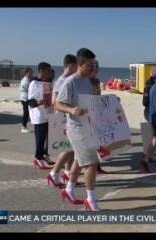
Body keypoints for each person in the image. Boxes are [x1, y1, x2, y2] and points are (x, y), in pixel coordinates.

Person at [55, 48, 101, 211]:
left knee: (79, 161)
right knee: (92, 164)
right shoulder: (70, 82)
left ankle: (69, 189)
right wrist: (72, 110)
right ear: (81, 64)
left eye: (94, 64)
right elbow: (57, 104)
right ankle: (91, 199)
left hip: (87, 125)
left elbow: (92, 101)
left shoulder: (88, 81)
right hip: (76, 128)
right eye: (91, 64)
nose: (93, 67)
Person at [46, 54, 77, 187]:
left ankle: (67, 172)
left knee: (71, 148)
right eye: (76, 65)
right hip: (62, 118)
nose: (77, 68)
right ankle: (54, 173)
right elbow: (54, 101)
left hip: (68, 117)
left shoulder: (69, 79)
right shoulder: (62, 80)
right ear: (69, 65)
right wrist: (71, 108)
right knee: (69, 148)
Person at [28, 62, 54, 170]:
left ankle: (45, 155)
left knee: (49, 137)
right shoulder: (34, 83)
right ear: (41, 70)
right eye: (48, 70)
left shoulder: (48, 82)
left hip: (48, 113)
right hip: (38, 114)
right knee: (40, 137)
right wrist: (39, 103)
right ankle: (38, 158)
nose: (49, 73)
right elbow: (30, 100)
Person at [19, 67, 33, 133]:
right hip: (25, 98)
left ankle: (24, 126)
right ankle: (23, 127)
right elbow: (28, 89)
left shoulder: (27, 79)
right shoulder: (25, 80)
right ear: (27, 73)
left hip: (25, 98)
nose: (32, 74)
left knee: (28, 112)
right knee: (26, 112)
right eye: (31, 72)